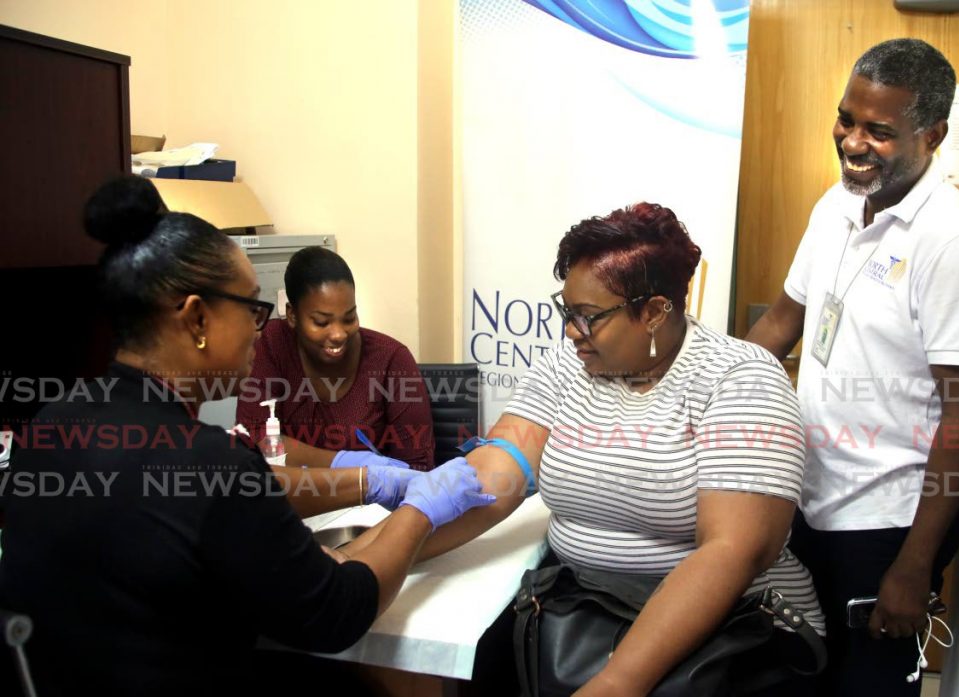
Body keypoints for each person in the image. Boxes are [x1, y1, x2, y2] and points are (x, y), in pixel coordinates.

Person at [0, 175, 493, 696]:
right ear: (196, 318)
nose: (262, 332)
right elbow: (337, 612)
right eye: (253, 309)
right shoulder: (209, 462)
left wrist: (367, 481)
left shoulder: (51, 424)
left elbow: (213, 507)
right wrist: (420, 511)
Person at [348, 202, 825, 696]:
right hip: (591, 618)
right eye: (567, 312)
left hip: (732, 637)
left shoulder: (741, 379)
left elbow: (731, 552)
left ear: (656, 311)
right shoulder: (566, 366)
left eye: (589, 317)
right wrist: (366, 554)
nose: (571, 331)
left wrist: (618, 681)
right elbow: (494, 473)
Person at [745, 38, 959, 697]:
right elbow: (780, 323)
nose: (853, 141)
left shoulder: (954, 241)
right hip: (809, 503)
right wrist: (701, 391)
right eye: (846, 119)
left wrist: (917, 567)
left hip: (888, 528)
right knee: (793, 675)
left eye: (879, 131)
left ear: (933, 133)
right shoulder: (836, 205)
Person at [236, 246, 436, 471]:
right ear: (292, 315)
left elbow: (418, 465)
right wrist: (347, 463)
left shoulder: (390, 359)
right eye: (322, 322)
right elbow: (254, 437)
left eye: (349, 318)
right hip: (294, 500)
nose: (339, 334)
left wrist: (380, 481)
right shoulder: (271, 344)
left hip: (372, 503)